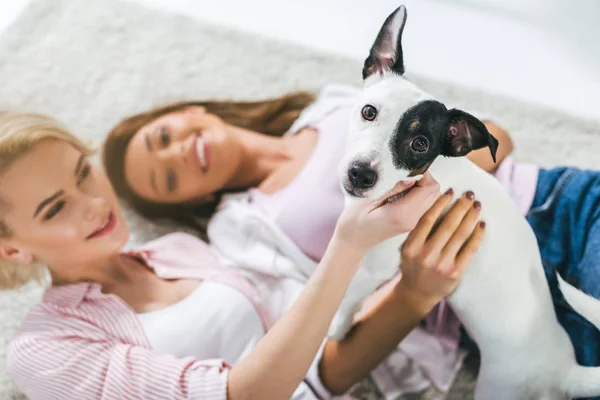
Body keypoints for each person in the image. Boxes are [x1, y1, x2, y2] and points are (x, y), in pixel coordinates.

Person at [104, 83, 600, 395]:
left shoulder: (335, 106)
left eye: (161, 138)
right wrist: (415, 283)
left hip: (554, 206)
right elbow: (328, 319)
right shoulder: (237, 228)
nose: (175, 158)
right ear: (189, 201)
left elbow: (493, 135)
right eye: (165, 180)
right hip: (491, 314)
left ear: (191, 109)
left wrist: (437, 198)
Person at [1, 110, 484, 400]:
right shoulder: (41, 351)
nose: (94, 205)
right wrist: (349, 241)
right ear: (12, 249)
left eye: (83, 173)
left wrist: (415, 292)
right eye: (56, 208)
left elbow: (320, 367)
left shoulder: (179, 251)